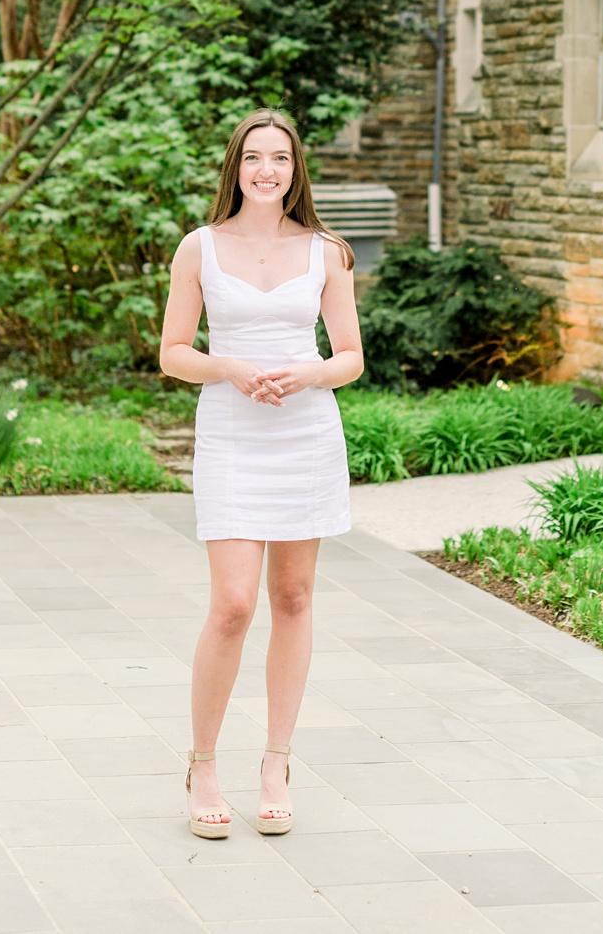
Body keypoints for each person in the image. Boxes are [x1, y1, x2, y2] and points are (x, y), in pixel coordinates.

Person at [158, 108, 364, 839]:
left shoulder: (327, 252)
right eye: (254, 157)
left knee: (295, 595)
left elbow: (349, 356)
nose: (267, 169)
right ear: (235, 168)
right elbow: (173, 352)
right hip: (232, 431)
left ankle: (277, 761)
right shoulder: (200, 248)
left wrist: (308, 376)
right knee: (234, 604)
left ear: (295, 168)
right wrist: (233, 368)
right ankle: (204, 764)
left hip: (305, 432)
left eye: (280, 157)